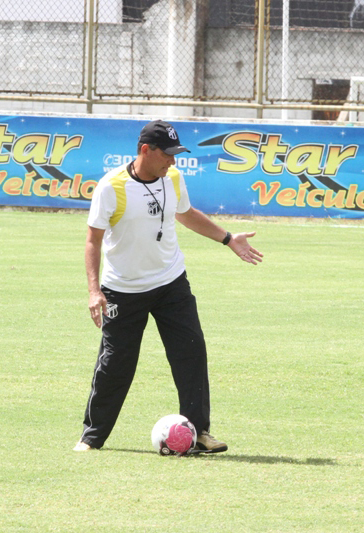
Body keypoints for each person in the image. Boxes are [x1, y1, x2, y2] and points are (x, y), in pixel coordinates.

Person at [74, 120, 263, 453]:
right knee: (116, 363)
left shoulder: (172, 178)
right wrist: (94, 290)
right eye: (168, 155)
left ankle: (199, 432)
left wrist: (228, 238)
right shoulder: (111, 187)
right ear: (146, 150)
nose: (173, 162)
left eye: (176, 155)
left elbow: (186, 214)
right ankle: (92, 436)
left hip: (171, 282)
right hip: (124, 289)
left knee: (191, 352)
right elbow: (93, 240)